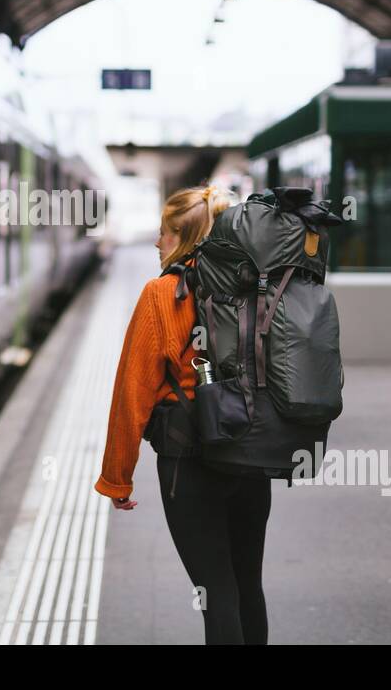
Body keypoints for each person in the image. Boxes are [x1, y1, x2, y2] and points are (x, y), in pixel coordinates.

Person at [94, 183, 275, 645]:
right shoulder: (259, 288)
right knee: (246, 585)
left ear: (187, 237)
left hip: (190, 460)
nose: (157, 243)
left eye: (164, 233)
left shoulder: (162, 294)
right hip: (251, 454)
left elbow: (131, 392)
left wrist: (118, 477)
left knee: (215, 592)